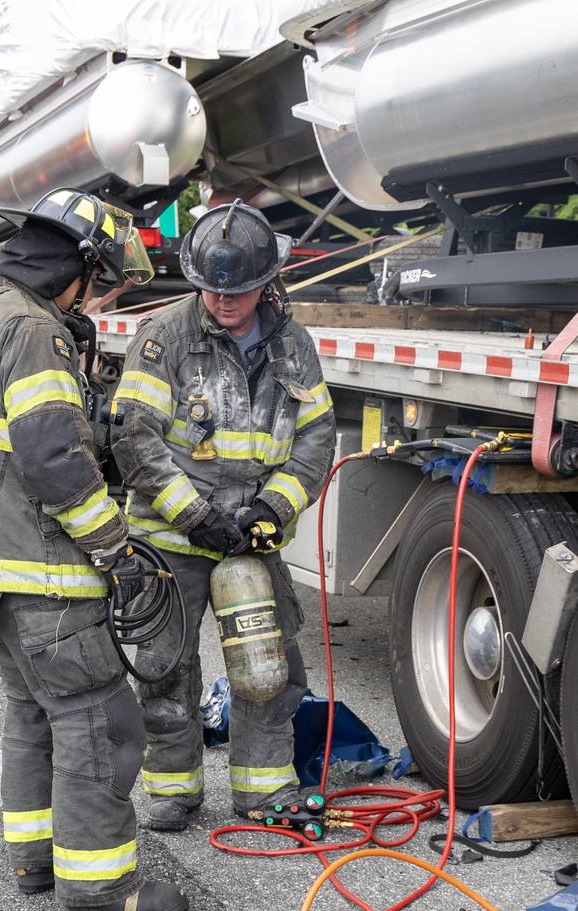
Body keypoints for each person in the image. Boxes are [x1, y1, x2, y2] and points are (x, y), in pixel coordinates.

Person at [0, 188, 187, 911]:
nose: (103, 293)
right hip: (45, 573)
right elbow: (54, 458)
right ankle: (103, 885)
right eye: (101, 277)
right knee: (97, 722)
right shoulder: (33, 330)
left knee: (32, 716)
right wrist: (115, 548)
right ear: (74, 268)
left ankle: (35, 859)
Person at [110, 202, 335, 831]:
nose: (222, 301)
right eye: (210, 288)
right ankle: (174, 791)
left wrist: (273, 507)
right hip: (173, 537)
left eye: (236, 290)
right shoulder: (164, 337)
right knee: (165, 665)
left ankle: (261, 789)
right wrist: (194, 515)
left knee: (269, 667)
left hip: (249, 538)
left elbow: (317, 438)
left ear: (268, 282)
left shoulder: (292, 344)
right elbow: (135, 439)